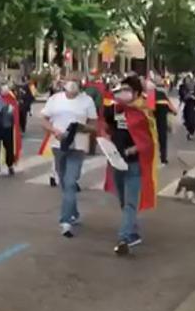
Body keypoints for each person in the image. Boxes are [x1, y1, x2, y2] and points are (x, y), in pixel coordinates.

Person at [104, 75, 158, 256]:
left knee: (130, 203)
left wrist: (136, 148)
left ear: (136, 93)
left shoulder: (143, 112)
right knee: (122, 201)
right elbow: (104, 125)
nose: (124, 93)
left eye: (127, 90)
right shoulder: (115, 109)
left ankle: (124, 238)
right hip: (117, 162)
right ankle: (133, 232)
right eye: (122, 89)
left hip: (134, 164)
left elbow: (150, 139)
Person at [40, 77, 98, 237]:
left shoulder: (87, 101)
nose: (73, 84)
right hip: (58, 145)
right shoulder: (55, 99)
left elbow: (94, 125)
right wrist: (54, 130)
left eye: (76, 81)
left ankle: (65, 220)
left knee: (71, 181)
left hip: (78, 145)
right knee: (64, 181)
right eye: (70, 81)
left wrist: (83, 127)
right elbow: (44, 119)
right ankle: (74, 213)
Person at [153, 76, 177, 166]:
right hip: (161, 120)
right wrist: (174, 111)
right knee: (162, 138)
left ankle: (158, 157)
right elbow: (171, 107)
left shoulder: (150, 95)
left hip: (153, 120)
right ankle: (163, 158)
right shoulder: (162, 95)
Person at [180, 76, 195, 140]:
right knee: (188, 120)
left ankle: (191, 133)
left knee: (193, 121)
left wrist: (194, 97)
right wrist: (189, 95)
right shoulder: (182, 87)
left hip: (193, 106)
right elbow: (183, 97)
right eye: (186, 81)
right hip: (187, 106)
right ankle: (189, 132)